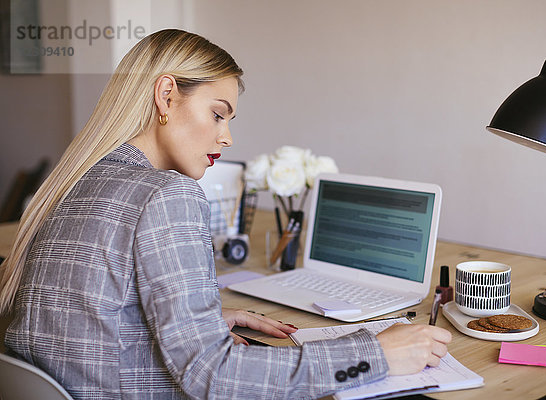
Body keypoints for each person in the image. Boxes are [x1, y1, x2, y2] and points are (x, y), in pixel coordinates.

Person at [0, 29, 451, 399]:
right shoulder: (167, 194)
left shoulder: (73, 181)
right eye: (218, 114)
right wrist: (374, 353)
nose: (227, 136)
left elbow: (80, 322)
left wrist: (198, 321)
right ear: (166, 95)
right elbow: (213, 377)